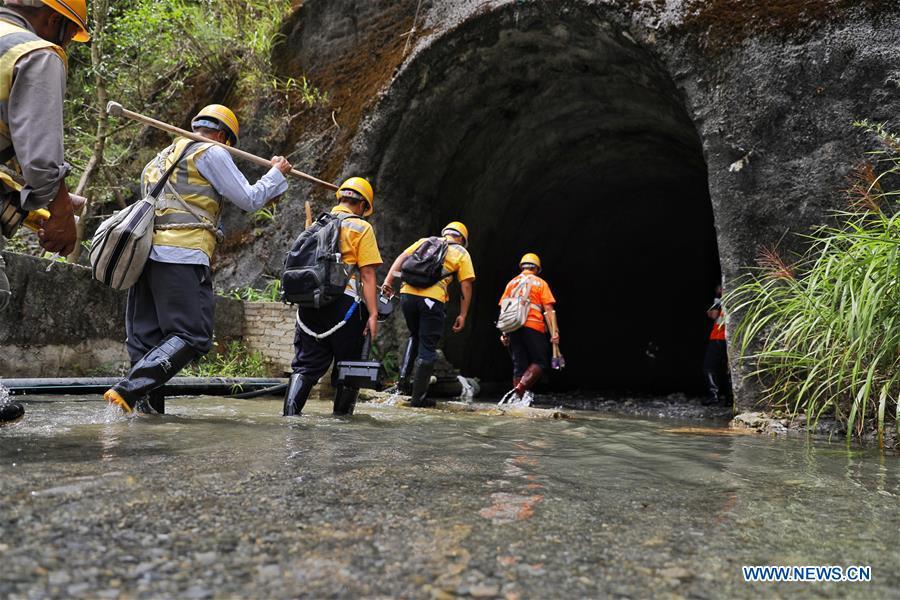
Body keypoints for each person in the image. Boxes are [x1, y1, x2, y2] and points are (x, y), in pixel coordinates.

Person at [104, 105, 293, 414]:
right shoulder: (211, 152)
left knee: (146, 342)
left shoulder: (159, 159)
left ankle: (144, 418)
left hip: (144, 260)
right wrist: (276, 172)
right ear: (223, 136)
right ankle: (129, 389)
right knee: (193, 335)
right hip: (181, 256)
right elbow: (250, 199)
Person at [0, 0, 90, 423]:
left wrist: (42, 202)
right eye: (71, 31)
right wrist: (58, 212)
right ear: (54, 18)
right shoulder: (35, 52)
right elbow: (40, 160)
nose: (68, 41)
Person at [282, 177, 382, 417]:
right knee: (348, 367)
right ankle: (341, 427)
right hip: (344, 308)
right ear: (362, 205)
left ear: (340, 198)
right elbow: (367, 274)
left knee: (305, 366)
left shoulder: (316, 224)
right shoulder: (361, 227)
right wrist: (374, 313)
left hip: (310, 306)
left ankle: (290, 418)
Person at [381, 222, 475, 407]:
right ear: (462, 239)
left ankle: (402, 384)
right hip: (432, 300)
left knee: (415, 335)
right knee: (428, 346)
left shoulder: (425, 241)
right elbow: (466, 285)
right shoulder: (462, 253)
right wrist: (463, 314)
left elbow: (402, 257)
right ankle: (418, 399)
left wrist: (387, 281)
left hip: (407, 295)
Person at [498, 253, 559, 402]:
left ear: (522, 267)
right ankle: (520, 388)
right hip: (533, 324)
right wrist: (554, 332)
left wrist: (504, 333)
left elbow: (504, 309)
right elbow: (549, 309)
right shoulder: (540, 283)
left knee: (520, 364)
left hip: (513, 326)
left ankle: (518, 400)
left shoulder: (511, 283)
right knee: (540, 362)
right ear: (537, 268)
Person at [703, 285, 732, 405]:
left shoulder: (721, 300)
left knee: (709, 367)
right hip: (728, 339)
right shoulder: (735, 298)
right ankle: (729, 399)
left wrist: (717, 297)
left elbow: (712, 314)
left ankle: (714, 396)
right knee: (727, 368)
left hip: (718, 338)